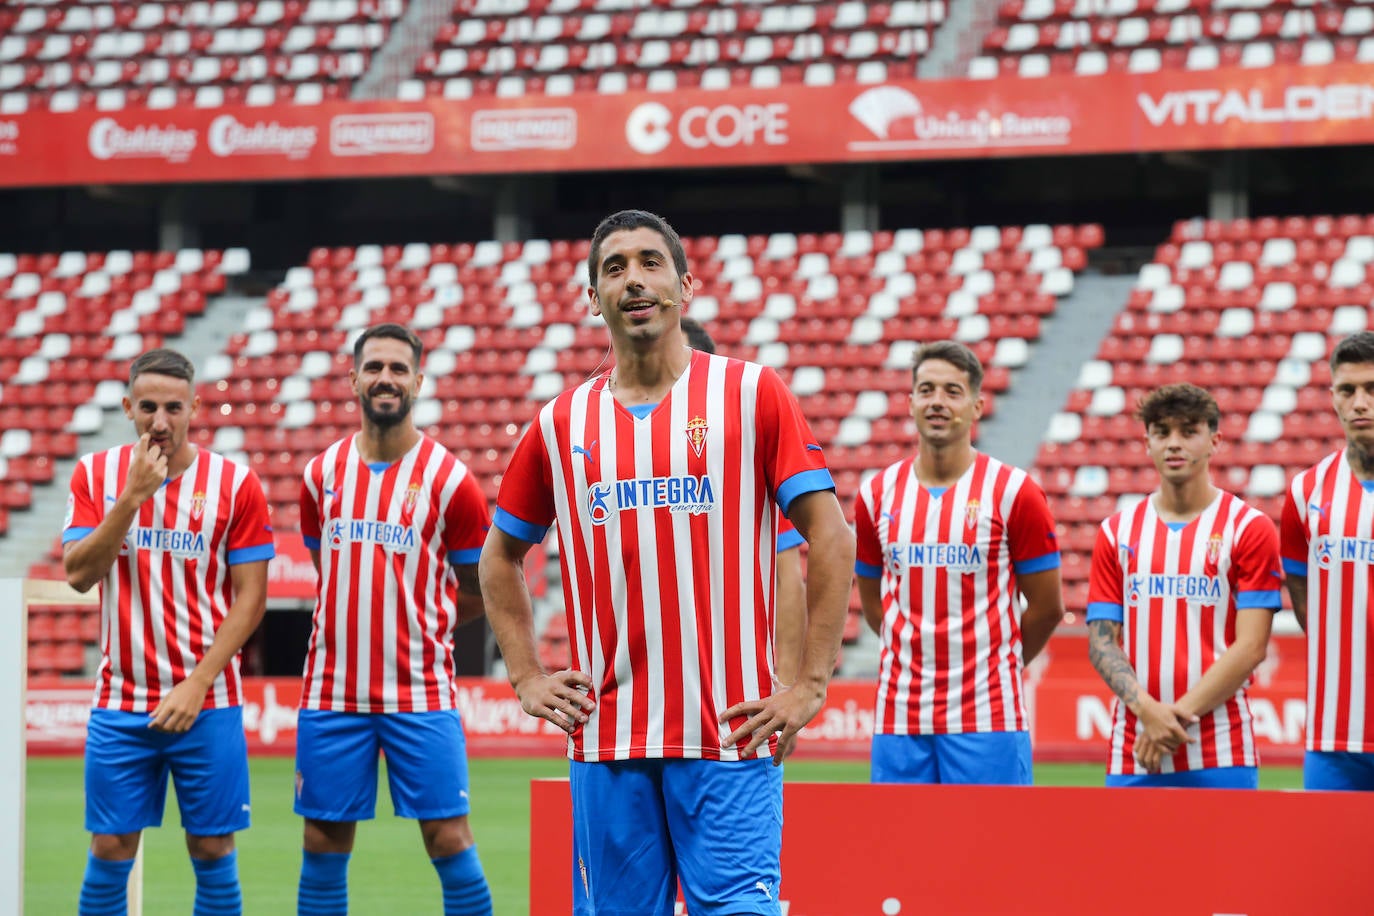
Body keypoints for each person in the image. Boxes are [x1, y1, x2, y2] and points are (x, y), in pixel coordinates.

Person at [479, 209, 855, 915]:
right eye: (613, 268)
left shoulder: (750, 394)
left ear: (686, 283)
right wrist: (525, 675)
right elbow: (499, 556)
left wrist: (807, 684)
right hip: (607, 739)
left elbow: (831, 538)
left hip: (727, 732)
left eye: (650, 262)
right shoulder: (560, 424)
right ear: (592, 297)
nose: (633, 280)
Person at [63, 348, 273, 916]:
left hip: (208, 700)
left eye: (174, 407)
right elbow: (80, 575)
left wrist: (198, 683)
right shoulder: (96, 475)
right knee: (109, 847)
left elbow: (252, 598)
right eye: (148, 407)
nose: (161, 420)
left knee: (211, 848)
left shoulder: (235, 482)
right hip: (121, 700)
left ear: (195, 408)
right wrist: (131, 498)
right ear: (128, 407)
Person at [294, 323, 492, 915]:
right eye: (375, 367)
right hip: (332, 695)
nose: (386, 379)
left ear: (418, 381)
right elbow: (320, 560)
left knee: (449, 839)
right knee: (323, 843)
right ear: (353, 378)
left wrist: (420, 627)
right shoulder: (320, 475)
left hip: (420, 694)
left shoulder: (451, 480)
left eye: (399, 369)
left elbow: (477, 589)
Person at [854, 340, 1064, 785]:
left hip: (989, 716)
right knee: (902, 853)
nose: (937, 401)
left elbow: (1047, 608)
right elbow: (875, 605)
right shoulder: (876, 495)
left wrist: (998, 664)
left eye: (953, 391)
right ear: (910, 403)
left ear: (977, 406)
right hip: (900, 717)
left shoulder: (1014, 492)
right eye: (927, 390)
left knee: (993, 853)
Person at [1087, 384, 1281, 788]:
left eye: (1188, 431)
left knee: (1227, 855)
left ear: (1215, 440)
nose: (1174, 444)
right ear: (1147, 442)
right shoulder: (1117, 531)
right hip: (1134, 747)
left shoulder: (1248, 528)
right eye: (1162, 432)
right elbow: (1102, 641)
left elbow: (1251, 646)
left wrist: (1169, 720)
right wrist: (1146, 711)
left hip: (1221, 748)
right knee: (1127, 855)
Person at [681, 314, 808, 685]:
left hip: (728, 685)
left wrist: (786, 687)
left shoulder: (747, 467)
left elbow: (788, 584)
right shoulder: (615, 451)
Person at [1281, 331, 1374, 791]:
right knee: (1330, 864)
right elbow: (1301, 592)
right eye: (1348, 390)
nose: (1360, 403)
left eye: (1372, 390)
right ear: (1333, 397)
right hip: (1334, 735)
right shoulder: (1306, 492)